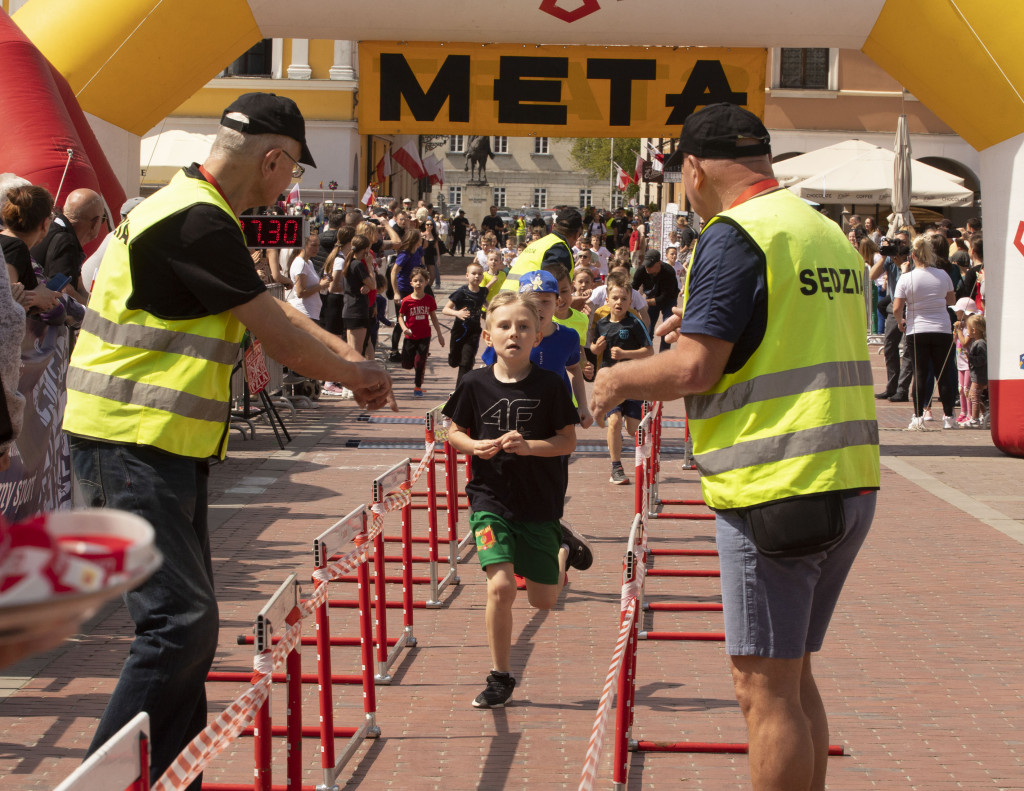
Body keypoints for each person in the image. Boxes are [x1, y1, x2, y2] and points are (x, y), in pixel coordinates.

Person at [63, 92, 395, 789]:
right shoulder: (195, 220)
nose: (288, 188)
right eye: (289, 173)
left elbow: (271, 310)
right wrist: (352, 374)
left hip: (154, 446)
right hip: (131, 445)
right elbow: (275, 333)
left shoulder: (191, 209)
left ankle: (172, 774)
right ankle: (103, 780)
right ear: (271, 159)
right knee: (178, 625)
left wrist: (350, 360)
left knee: (190, 628)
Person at [589, 103, 879, 791]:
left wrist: (615, 379)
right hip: (848, 478)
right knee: (794, 676)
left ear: (694, 169)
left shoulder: (733, 233)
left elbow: (693, 369)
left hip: (773, 487)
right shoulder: (823, 231)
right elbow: (787, 330)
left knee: (764, 693)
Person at [441, 289, 592, 709]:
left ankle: (562, 546)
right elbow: (451, 431)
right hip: (491, 501)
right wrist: (473, 447)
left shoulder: (550, 385)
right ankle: (500, 676)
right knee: (501, 588)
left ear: (538, 336)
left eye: (524, 326)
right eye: (504, 326)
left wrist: (529, 447)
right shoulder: (474, 383)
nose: (514, 333)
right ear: (488, 335)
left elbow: (567, 441)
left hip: (540, 503)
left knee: (543, 601)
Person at [589, 271, 653, 484]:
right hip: (611, 384)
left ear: (630, 301)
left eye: (624, 298)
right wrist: (595, 349)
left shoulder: (634, 323)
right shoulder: (601, 324)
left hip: (633, 383)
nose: (619, 302)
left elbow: (649, 351)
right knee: (614, 422)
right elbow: (592, 349)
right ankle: (616, 467)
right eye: (615, 298)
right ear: (607, 299)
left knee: (633, 428)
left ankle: (648, 459)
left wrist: (626, 354)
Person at [892, 233, 957, 430]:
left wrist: (900, 321)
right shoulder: (943, 275)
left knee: (920, 373)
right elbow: (951, 301)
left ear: (913, 256)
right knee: (944, 373)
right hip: (941, 328)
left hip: (917, 328)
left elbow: (896, 307)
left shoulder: (907, 278)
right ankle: (948, 417)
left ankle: (918, 416)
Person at [31, 187, 105, 304]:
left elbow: (79, 287)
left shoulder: (49, 229)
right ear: (95, 223)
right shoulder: (67, 242)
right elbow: (65, 292)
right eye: (103, 219)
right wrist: (92, 312)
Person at [500, 207, 581, 293]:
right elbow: (551, 289)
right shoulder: (559, 249)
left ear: (553, 226)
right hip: (525, 302)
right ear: (577, 234)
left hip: (505, 300)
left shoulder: (539, 243)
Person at [399, 267, 444, 398]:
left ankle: (418, 386)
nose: (418, 283)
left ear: (426, 282)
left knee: (419, 363)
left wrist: (440, 335)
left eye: (421, 281)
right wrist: (404, 328)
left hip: (424, 335)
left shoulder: (429, 299)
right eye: (415, 281)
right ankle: (418, 364)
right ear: (411, 283)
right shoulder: (407, 301)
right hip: (410, 335)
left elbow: (434, 317)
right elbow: (400, 316)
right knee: (407, 365)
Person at [443, 261, 487, 386]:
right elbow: (446, 309)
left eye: (479, 274)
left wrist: (491, 311)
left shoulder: (483, 292)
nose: (477, 276)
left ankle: (460, 389)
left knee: (466, 361)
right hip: (459, 330)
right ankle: (453, 358)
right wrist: (457, 313)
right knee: (454, 361)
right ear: (467, 275)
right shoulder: (461, 292)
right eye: (473, 273)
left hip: (474, 331)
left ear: (482, 276)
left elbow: (486, 304)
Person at [632, 249, 680, 348]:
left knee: (667, 328)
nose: (647, 267)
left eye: (650, 265)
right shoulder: (641, 270)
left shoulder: (669, 272)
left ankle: (664, 356)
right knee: (648, 328)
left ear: (658, 263)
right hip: (651, 297)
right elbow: (633, 289)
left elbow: (664, 298)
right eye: (645, 264)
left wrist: (643, 302)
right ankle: (646, 353)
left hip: (668, 300)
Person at [955, 313, 988, 428]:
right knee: (974, 395)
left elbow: (982, 360)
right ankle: (985, 413)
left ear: (974, 330)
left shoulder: (980, 344)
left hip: (979, 375)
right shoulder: (977, 342)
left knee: (974, 395)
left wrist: (970, 358)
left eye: (969, 330)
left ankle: (975, 419)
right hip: (976, 375)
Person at [286, 234, 328, 321]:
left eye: (318, 245)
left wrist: (323, 282)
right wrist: (320, 286)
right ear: (304, 245)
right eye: (313, 245)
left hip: (312, 313)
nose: (317, 248)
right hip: (305, 313)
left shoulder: (309, 262)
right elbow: (300, 293)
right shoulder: (300, 263)